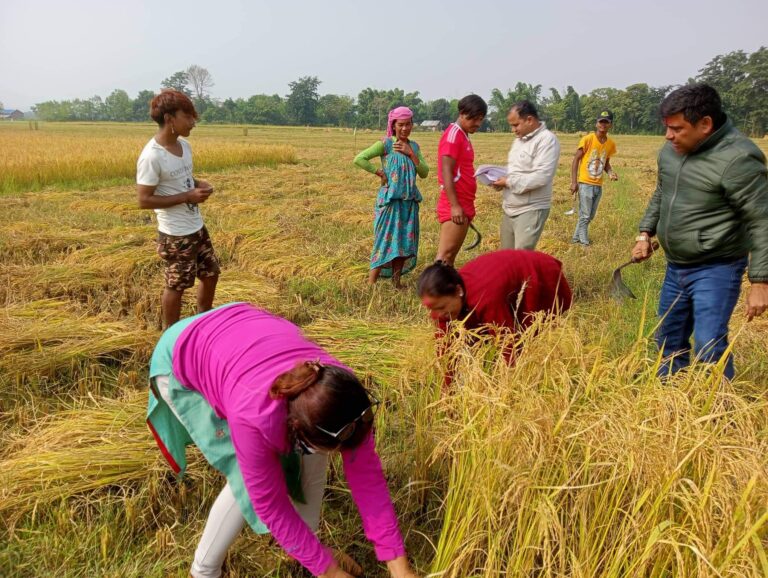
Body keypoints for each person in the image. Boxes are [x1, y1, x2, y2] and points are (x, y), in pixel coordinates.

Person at [146, 303, 420, 578]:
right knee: (244, 477)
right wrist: (332, 573)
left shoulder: (341, 395)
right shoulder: (252, 416)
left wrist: (401, 568)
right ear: (296, 429)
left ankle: (306, 547)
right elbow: (270, 504)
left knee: (315, 454)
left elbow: (368, 481)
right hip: (183, 351)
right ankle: (203, 570)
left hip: (242, 329)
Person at [631, 84, 768, 380]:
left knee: (709, 342)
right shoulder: (671, 151)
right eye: (667, 128)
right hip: (675, 266)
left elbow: (761, 220)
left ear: (705, 124)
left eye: (677, 129)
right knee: (668, 337)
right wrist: (645, 233)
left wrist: (760, 281)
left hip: (716, 267)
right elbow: (662, 192)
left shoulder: (739, 159)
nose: (668, 136)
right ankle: (670, 398)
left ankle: (717, 411)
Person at [137, 89, 219, 328]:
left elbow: (182, 178)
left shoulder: (185, 147)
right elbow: (144, 199)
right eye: (188, 116)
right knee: (177, 285)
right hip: (175, 234)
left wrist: (197, 184)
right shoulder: (152, 156)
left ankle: (204, 320)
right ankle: (169, 334)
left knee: (211, 272)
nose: (193, 122)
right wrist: (187, 196)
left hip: (196, 225)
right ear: (169, 118)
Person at [417, 250, 572, 339]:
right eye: (434, 309)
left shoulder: (486, 298)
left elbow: (506, 341)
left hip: (539, 273)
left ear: (459, 291)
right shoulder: (439, 304)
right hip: (500, 277)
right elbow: (445, 348)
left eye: (442, 307)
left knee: (532, 333)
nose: (438, 314)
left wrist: (507, 386)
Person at [353, 106, 429, 288]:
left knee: (403, 243)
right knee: (384, 241)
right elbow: (359, 158)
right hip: (390, 203)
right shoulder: (386, 145)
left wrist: (410, 153)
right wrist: (379, 172)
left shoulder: (415, 147)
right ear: (393, 125)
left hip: (408, 204)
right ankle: (371, 283)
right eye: (401, 125)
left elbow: (424, 172)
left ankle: (397, 282)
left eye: (408, 124)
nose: (405, 128)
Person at [491, 101, 560, 250]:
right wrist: (499, 180)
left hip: (531, 208)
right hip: (510, 207)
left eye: (516, 125)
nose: (513, 130)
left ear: (529, 120)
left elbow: (542, 176)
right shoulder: (519, 141)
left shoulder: (547, 140)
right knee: (506, 256)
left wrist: (508, 182)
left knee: (521, 257)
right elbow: (515, 170)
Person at [435, 94, 488, 266]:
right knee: (445, 256)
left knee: (450, 257)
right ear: (462, 114)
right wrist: (455, 206)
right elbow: (446, 171)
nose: (478, 124)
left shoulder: (463, 135)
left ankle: (445, 291)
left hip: (464, 201)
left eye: (481, 119)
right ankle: (432, 291)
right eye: (475, 119)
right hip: (455, 203)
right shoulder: (453, 136)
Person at [569, 109, 618, 245]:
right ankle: (584, 243)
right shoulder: (587, 139)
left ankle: (575, 239)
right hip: (585, 183)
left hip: (598, 185)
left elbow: (606, 163)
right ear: (596, 124)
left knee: (589, 216)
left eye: (606, 122)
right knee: (585, 215)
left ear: (610, 125)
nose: (603, 125)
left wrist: (610, 173)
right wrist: (574, 182)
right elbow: (575, 160)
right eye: (600, 122)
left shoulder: (610, 144)